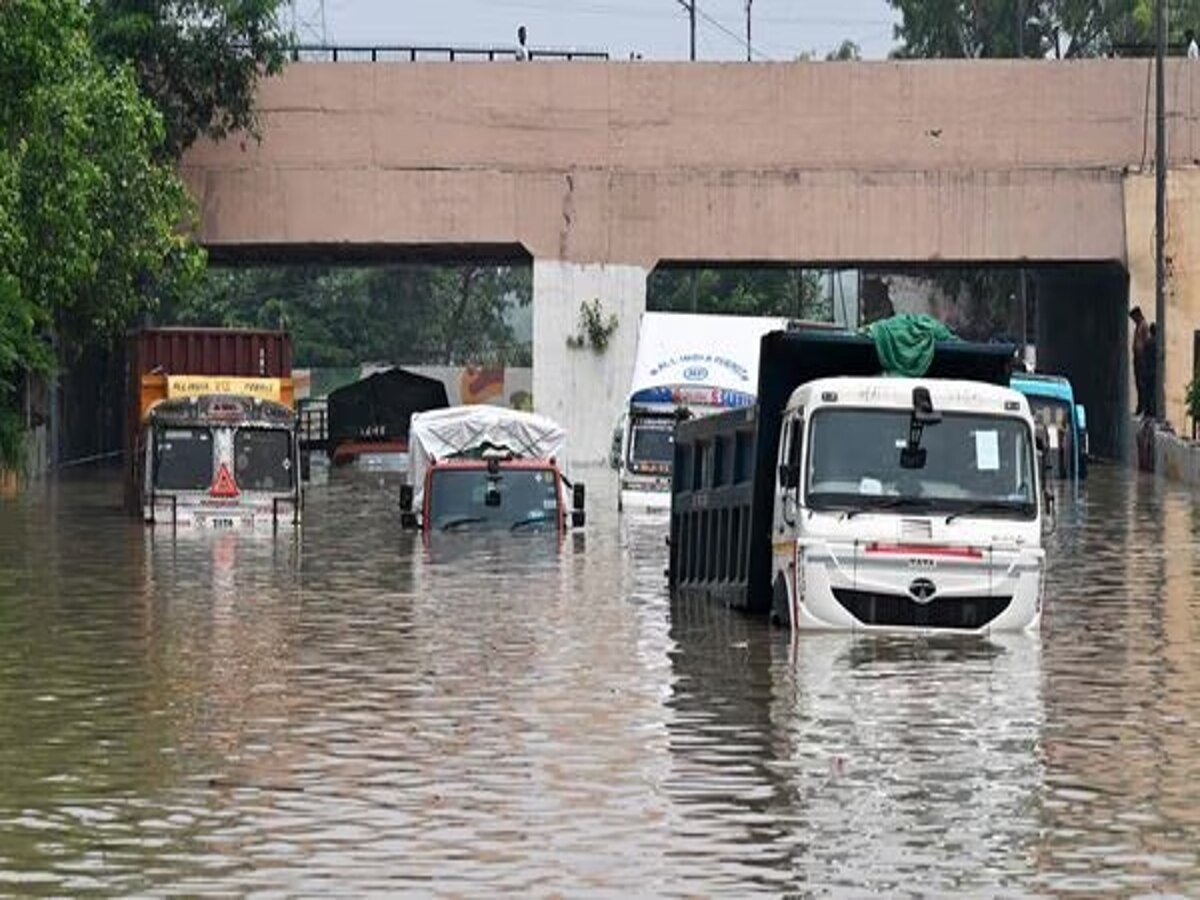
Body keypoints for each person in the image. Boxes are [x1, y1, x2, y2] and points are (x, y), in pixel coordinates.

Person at [1130, 305, 1151, 415]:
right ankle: (1140, 407)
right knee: (1138, 383)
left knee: (1142, 383)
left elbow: (1145, 342)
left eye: (1134, 317)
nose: (1133, 320)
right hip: (1138, 358)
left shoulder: (1143, 326)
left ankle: (1142, 408)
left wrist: (1143, 357)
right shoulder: (1138, 326)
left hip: (1141, 359)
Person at [1144, 322, 1159, 418]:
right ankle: (1153, 410)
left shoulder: (1148, 342)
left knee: (1148, 391)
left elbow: (1144, 355)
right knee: (1153, 391)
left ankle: (1149, 410)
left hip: (1148, 369)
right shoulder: (1157, 342)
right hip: (1154, 369)